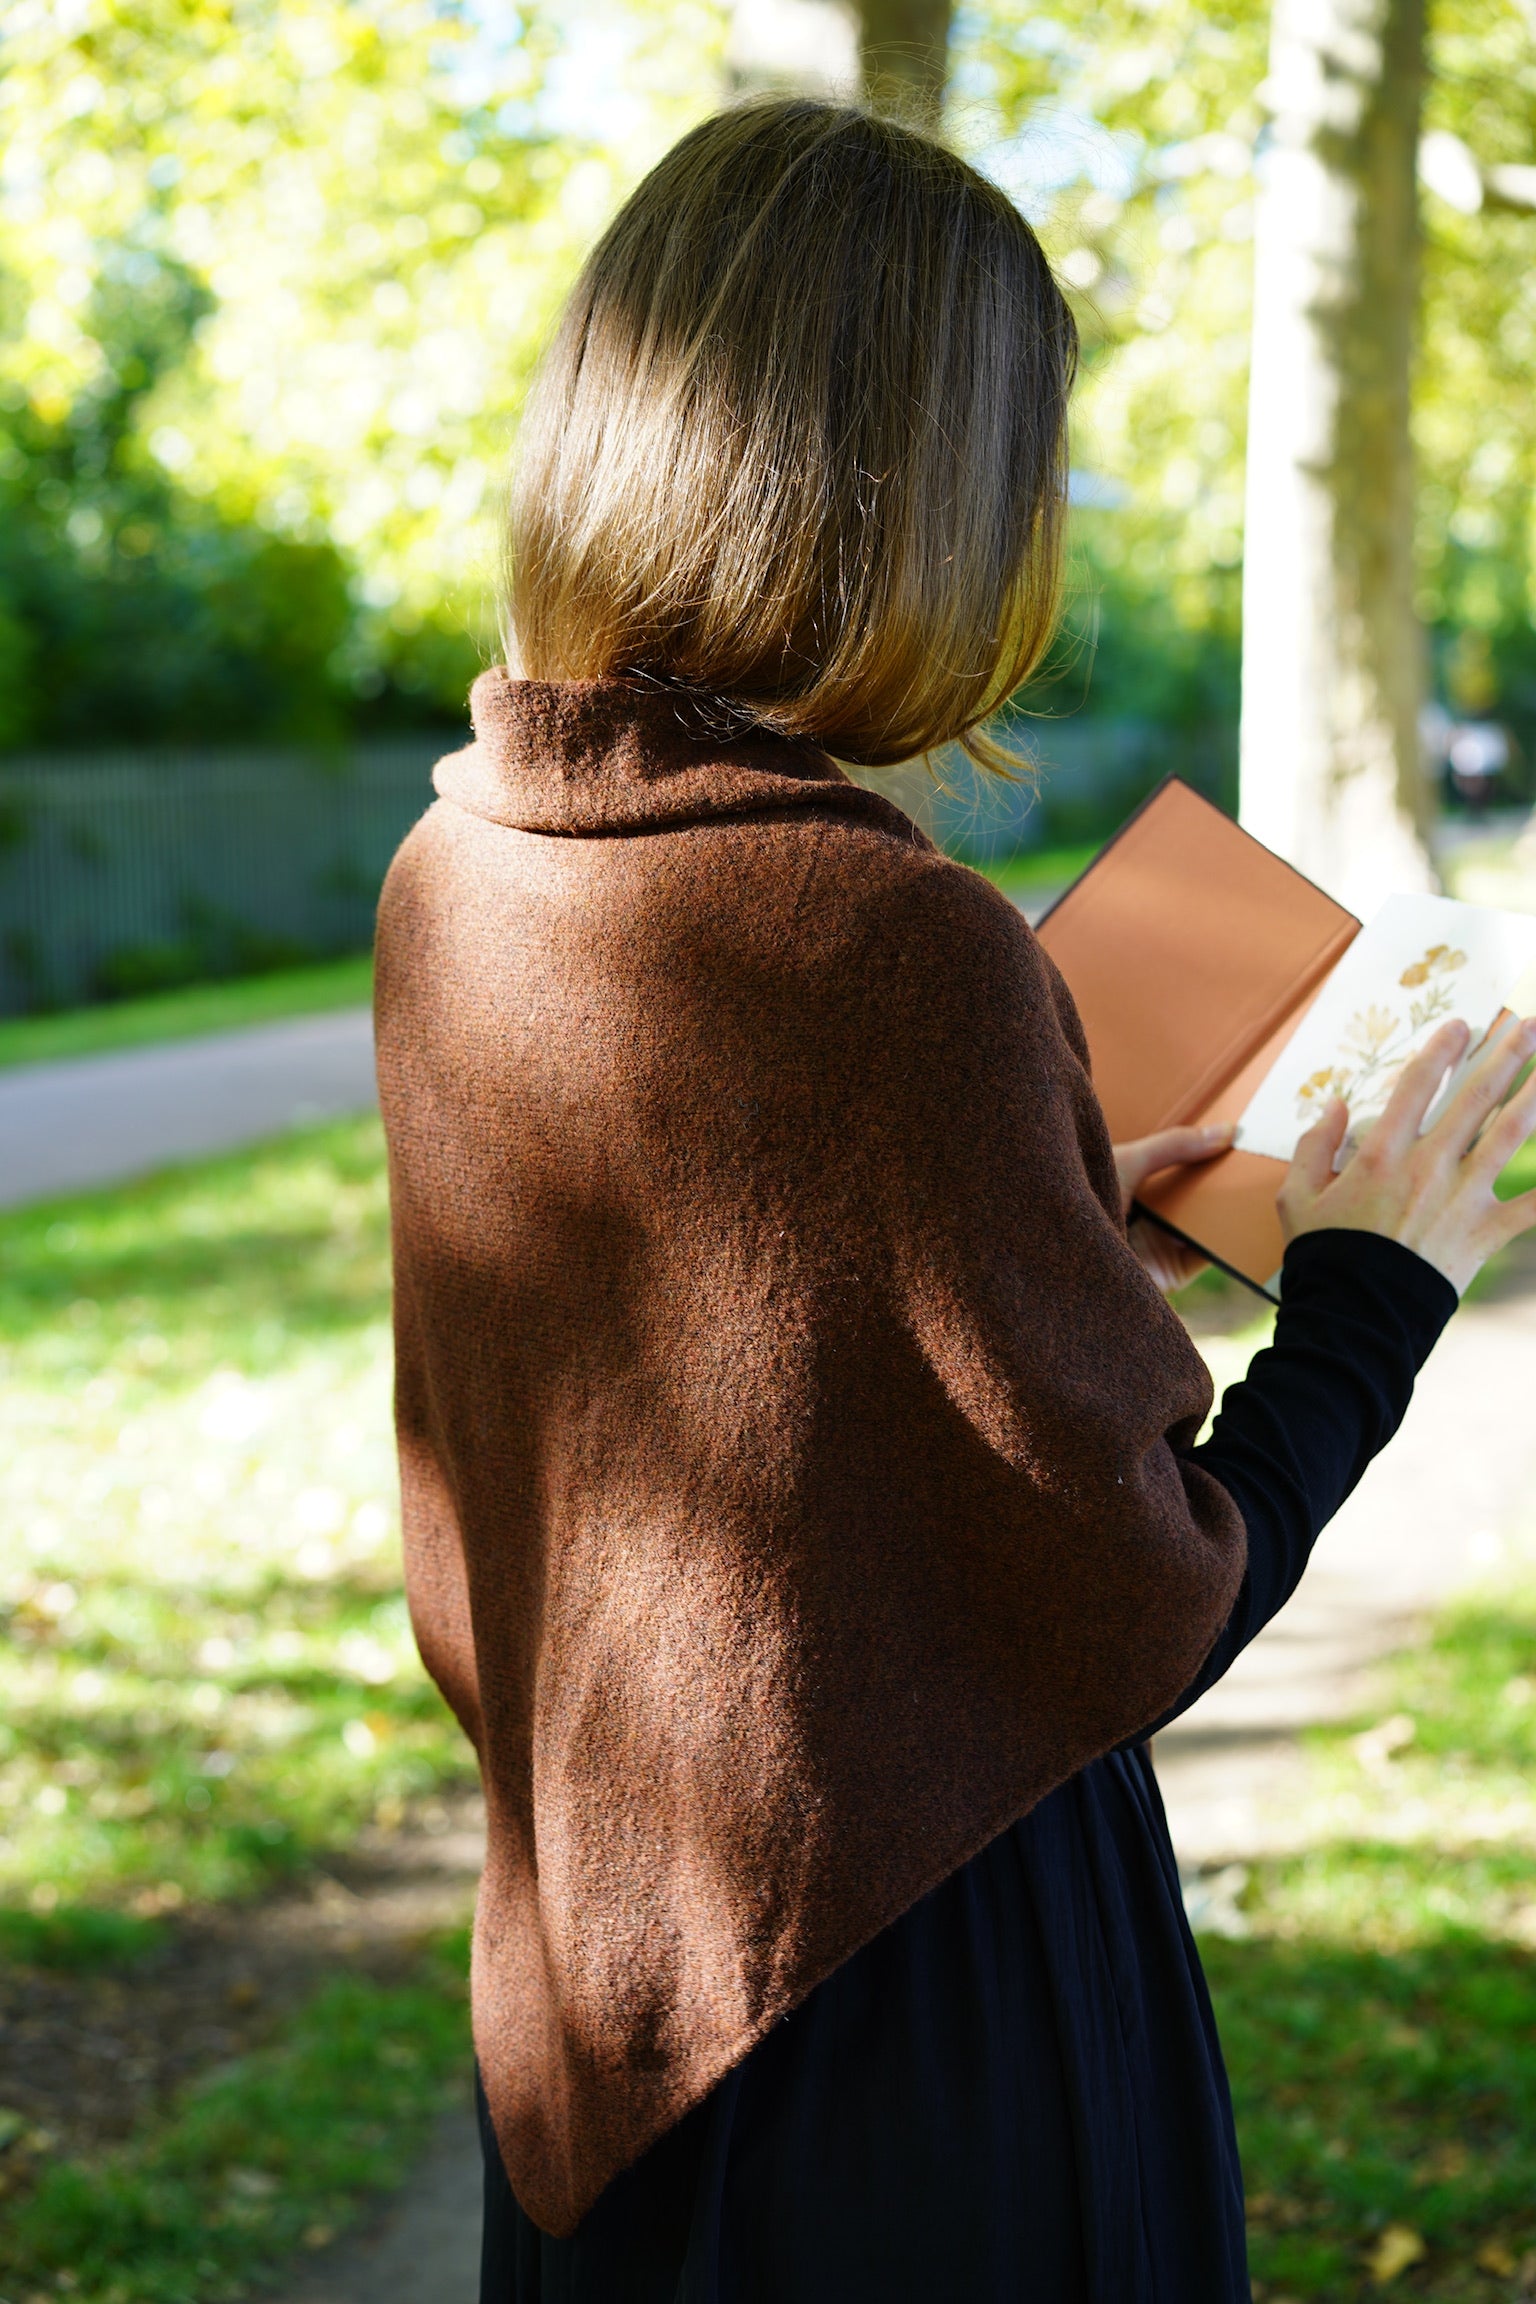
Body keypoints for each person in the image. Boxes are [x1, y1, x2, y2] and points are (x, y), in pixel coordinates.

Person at [373, 99, 1536, 2304]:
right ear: (925, 497)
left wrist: (1060, 1201)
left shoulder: (460, 875)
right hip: (915, 2041)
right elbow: (1132, 1604)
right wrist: (1381, 1288)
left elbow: (716, 1339)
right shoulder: (897, 946)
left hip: (599, 2011)